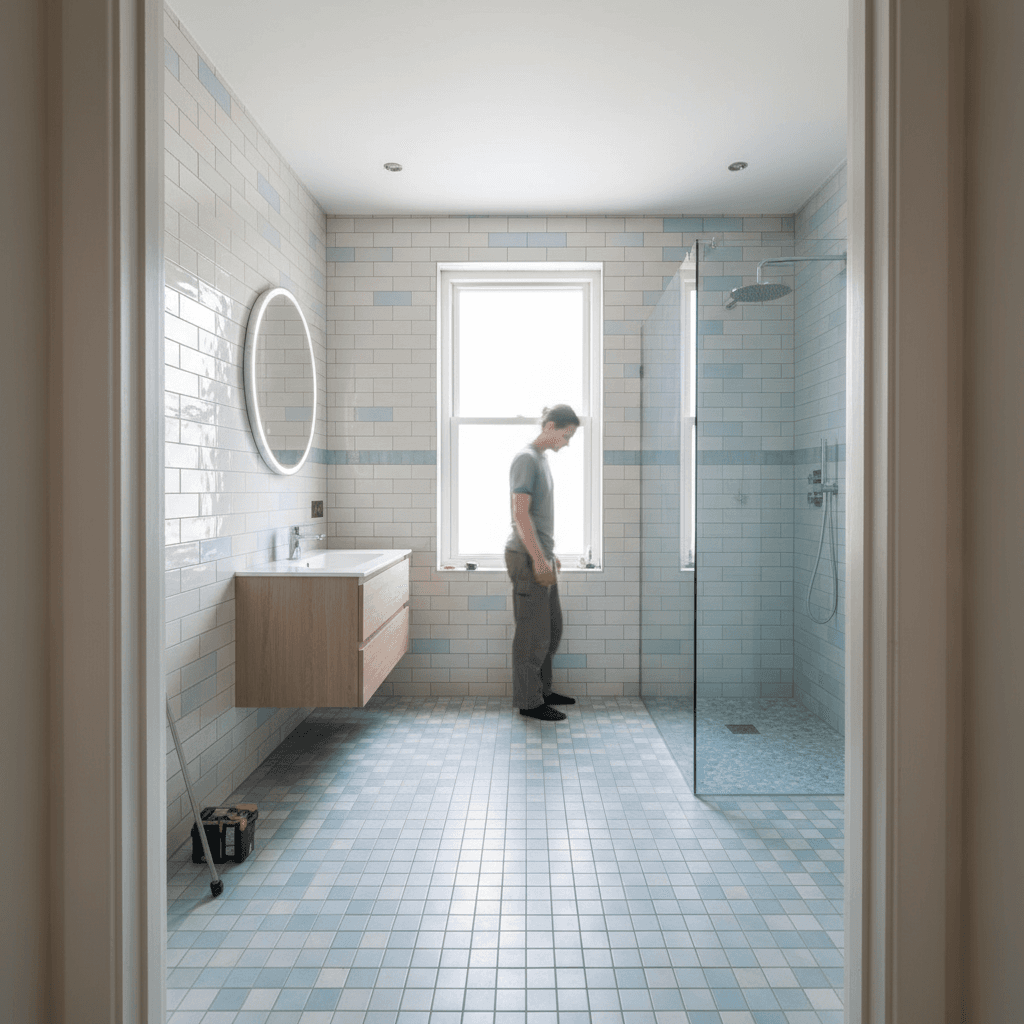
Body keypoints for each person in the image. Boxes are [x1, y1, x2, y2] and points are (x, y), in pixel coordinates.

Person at [504, 404, 581, 721]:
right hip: (526, 559)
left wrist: (549, 554)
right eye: (566, 434)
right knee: (532, 635)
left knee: (550, 629)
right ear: (550, 426)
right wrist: (538, 558)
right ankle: (529, 701)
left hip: (540, 556)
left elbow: (536, 517)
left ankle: (542, 690)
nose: (567, 442)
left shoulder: (541, 460)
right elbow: (519, 513)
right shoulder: (526, 458)